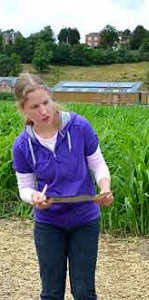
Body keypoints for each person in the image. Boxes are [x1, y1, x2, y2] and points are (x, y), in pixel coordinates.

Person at [12, 73, 113, 300]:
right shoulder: (22, 145)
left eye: (46, 102)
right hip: (48, 224)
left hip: (85, 221)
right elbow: (24, 187)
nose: (44, 111)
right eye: (35, 107)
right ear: (23, 109)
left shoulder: (79, 126)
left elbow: (98, 164)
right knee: (51, 292)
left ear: (50, 97)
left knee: (84, 291)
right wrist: (35, 197)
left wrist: (105, 187)